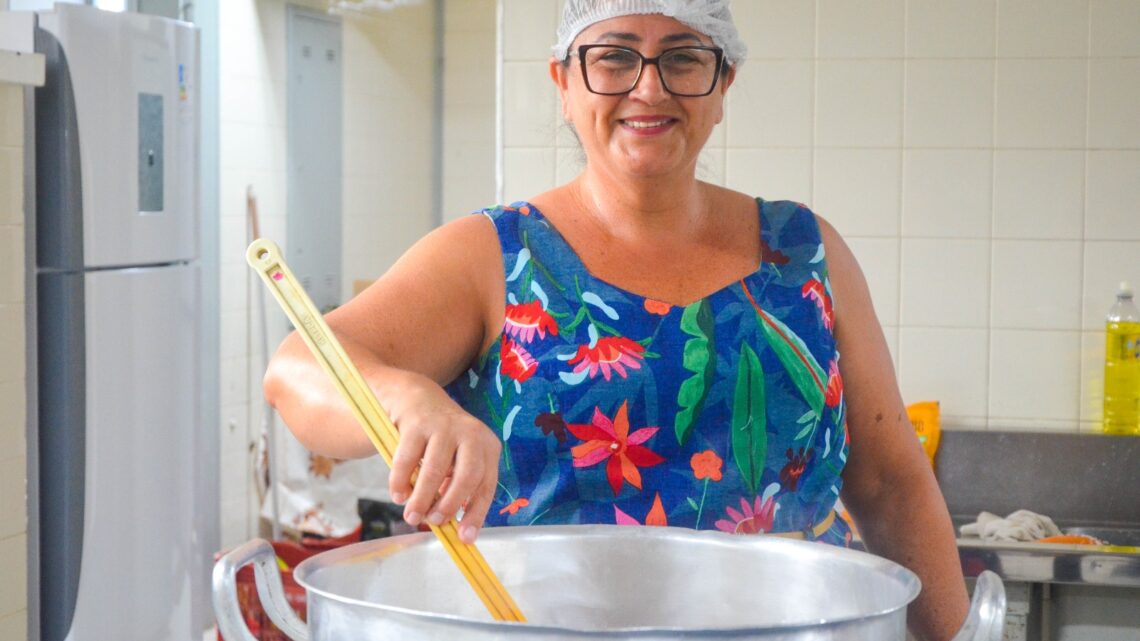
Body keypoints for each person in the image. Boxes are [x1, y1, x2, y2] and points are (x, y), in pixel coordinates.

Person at [264, 1, 970, 638]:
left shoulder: (804, 252)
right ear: (564, 83)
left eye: (685, 57)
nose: (649, 87)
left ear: (722, 87)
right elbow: (298, 368)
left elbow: (889, 482)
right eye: (614, 56)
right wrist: (405, 396)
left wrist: (956, 636)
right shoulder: (492, 256)